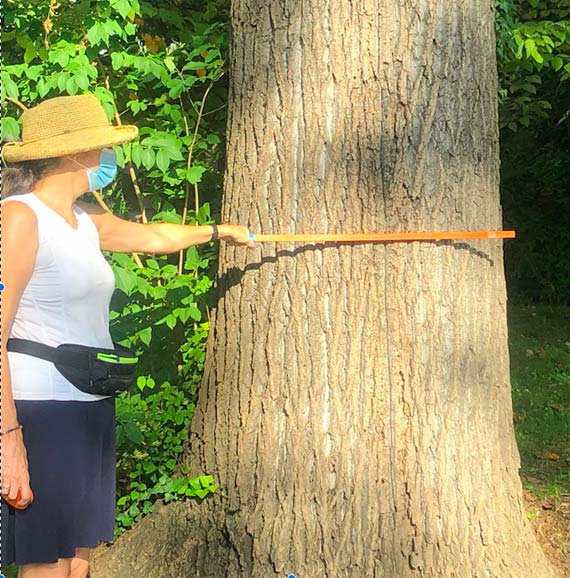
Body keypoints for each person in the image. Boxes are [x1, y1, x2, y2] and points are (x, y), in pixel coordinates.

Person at [0, 94, 254, 578]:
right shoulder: (19, 216)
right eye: (103, 148)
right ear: (76, 154)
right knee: (48, 565)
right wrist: (8, 437)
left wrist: (218, 231)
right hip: (40, 408)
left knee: (77, 563)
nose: (108, 160)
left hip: (89, 405)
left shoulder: (81, 222)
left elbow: (150, 237)